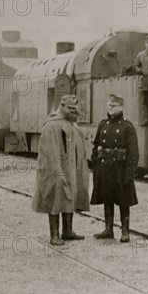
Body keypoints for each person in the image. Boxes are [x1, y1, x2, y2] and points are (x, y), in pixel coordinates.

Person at [32, 95, 90, 246]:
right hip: (55, 171)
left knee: (69, 196)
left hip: (71, 170)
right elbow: (49, 152)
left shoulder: (73, 126)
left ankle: (68, 230)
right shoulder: (52, 125)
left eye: (75, 109)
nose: (73, 112)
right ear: (62, 106)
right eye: (70, 109)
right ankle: (54, 234)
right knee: (56, 198)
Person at [90, 94, 139, 243]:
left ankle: (125, 231)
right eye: (109, 105)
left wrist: (128, 174)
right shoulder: (103, 125)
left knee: (123, 201)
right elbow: (96, 145)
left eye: (114, 106)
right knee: (107, 198)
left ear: (121, 108)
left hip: (120, 169)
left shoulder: (127, 127)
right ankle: (108, 229)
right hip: (105, 168)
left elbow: (134, 153)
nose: (110, 108)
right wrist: (96, 164)